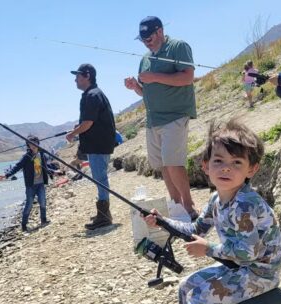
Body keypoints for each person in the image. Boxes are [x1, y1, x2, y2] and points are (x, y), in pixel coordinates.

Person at [142, 119, 281, 304]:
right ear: (206, 165)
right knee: (186, 285)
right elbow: (195, 228)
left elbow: (248, 253)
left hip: (260, 273)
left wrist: (208, 249)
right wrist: (162, 221)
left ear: (252, 169)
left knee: (198, 296)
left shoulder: (246, 205)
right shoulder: (217, 199)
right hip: (238, 267)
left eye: (236, 163)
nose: (226, 168)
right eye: (219, 161)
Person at [124, 16, 198, 221]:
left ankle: (189, 207)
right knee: (164, 165)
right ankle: (176, 205)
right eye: (142, 39)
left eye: (149, 37)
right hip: (153, 121)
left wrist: (155, 76)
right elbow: (146, 93)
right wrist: (135, 87)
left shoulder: (178, 47)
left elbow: (188, 77)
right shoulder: (145, 59)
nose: (146, 42)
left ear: (160, 31)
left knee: (173, 163)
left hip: (175, 116)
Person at [65, 63, 117, 230]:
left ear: (87, 76)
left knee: (100, 179)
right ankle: (103, 213)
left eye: (78, 76)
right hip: (100, 144)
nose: (75, 80)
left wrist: (72, 134)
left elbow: (88, 123)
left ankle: (104, 217)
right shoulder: (94, 94)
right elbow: (90, 120)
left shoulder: (92, 95)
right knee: (100, 178)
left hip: (98, 145)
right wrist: (78, 127)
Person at [5, 135, 51, 232]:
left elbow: (45, 168)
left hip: (40, 184)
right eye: (30, 144)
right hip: (31, 185)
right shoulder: (26, 157)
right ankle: (24, 225)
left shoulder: (42, 154)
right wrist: (7, 175)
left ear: (38, 143)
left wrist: (54, 172)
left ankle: (43, 220)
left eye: (34, 143)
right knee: (29, 205)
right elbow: (17, 166)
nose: (32, 145)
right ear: (28, 146)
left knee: (43, 202)